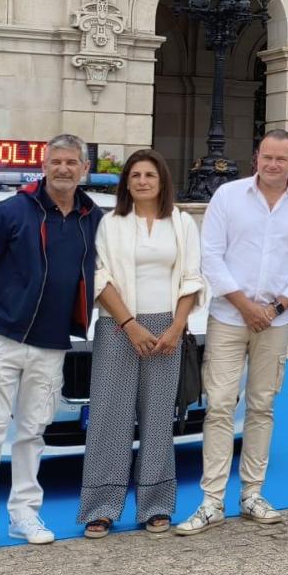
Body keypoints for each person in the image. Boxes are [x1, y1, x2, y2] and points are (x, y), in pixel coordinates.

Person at [0, 134, 104, 558]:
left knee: (32, 433)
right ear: (44, 166)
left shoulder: (93, 218)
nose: (63, 169)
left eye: (71, 162)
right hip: (2, 339)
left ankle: (24, 514)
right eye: (56, 161)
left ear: (84, 169)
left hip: (51, 344)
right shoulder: (10, 212)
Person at [177, 130, 288, 535]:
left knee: (262, 406)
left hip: (276, 321)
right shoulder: (228, 197)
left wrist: (275, 308)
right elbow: (211, 255)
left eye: (282, 158)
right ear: (256, 158)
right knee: (220, 405)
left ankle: (251, 494)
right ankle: (211, 501)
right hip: (229, 316)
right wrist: (245, 305)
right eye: (267, 157)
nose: (273, 165)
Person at [79, 148, 206, 538]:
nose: (142, 181)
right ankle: (101, 508)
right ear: (126, 183)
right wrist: (129, 324)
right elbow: (99, 277)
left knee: (158, 419)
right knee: (110, 417)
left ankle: (155, 505)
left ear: (162, 180)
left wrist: (176, 327)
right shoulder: (111, 223)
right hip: (118, 327)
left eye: (150, 174)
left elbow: (192, 277)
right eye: (135, 175)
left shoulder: (181, 222)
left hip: (167, 329)